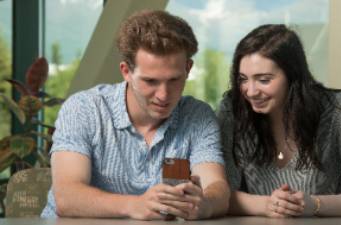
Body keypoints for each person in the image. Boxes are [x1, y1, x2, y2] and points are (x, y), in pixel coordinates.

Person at [41, 10, 230, 220]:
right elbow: (67, 198)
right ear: (126, 72)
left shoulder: (198, 115)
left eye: (174, 80)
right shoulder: (83, 109)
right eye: (150, 81)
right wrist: (134, 205)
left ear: (188, 68)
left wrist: (206, 204)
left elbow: (216, 187)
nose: (164, 95)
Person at [218, 24, 341, 217]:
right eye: (243, 79)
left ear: (293, 76)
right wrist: (267, 205)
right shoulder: (232, 108)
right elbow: (217, 195)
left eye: (264, 80)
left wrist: (314, 204)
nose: (250, 92)